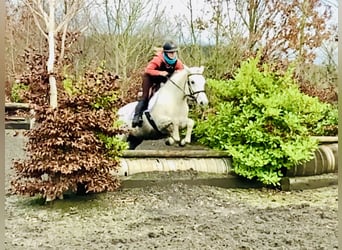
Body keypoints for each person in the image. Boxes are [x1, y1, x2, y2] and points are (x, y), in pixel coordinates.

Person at [132, 41, 185, 128]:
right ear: (165, 53)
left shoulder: (177, 62)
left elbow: (182, 72)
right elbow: (147, 70)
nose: (173, 54)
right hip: (150, 78)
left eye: (174, 52)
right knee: (146, 96)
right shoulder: (158, 59)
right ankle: (136, 117)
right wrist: (159, 72)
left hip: (162, 79)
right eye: (170, 53)